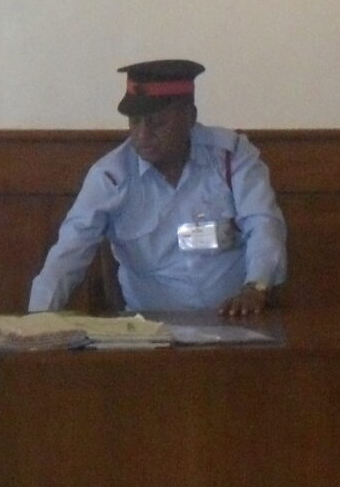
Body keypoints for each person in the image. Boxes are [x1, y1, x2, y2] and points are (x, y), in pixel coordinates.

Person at [27, 59, 287, 318]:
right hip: (151, 330)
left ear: (190, 117)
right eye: (135, 122)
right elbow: (67, 256)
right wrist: (37, 323)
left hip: (236, 320)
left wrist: (257, 286)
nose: (142, 135)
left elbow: (263, 223)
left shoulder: (231, 157)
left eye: (158, 122)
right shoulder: (111, 177)